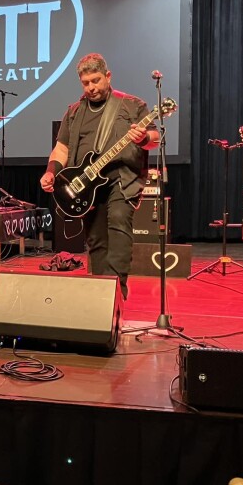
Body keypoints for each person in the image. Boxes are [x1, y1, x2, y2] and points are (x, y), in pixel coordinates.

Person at [39, 53, 159, 300]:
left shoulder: (132, 105)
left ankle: (116, 293)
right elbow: (62, 149)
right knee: (95, 239)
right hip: (87, 185)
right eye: (86, 83)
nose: (91, 87)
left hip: (122, 179)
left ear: (108, 76)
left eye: (96, 80)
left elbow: (154, 139)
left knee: (118, 224)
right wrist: (51, 171)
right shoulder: (74, 112)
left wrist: (143, 138)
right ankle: (101, 294)